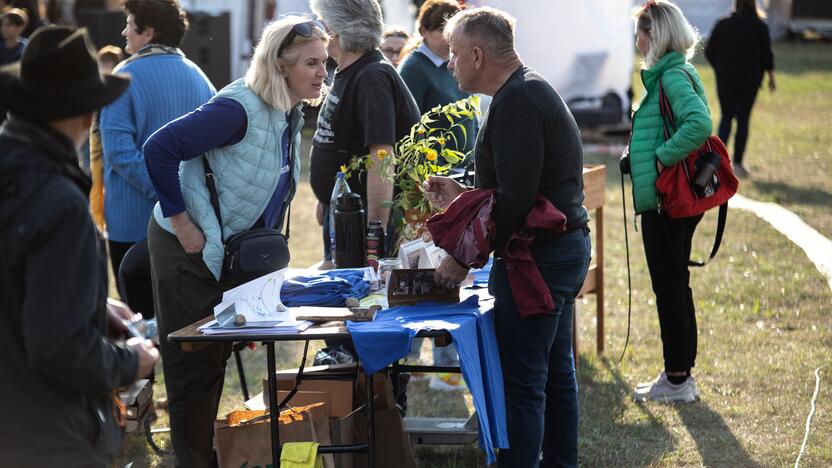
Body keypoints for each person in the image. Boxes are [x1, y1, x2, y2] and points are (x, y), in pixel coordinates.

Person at [143, 16, 328, 467]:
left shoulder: (287, 110)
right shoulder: (238, 108)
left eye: (325, 62)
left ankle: (207, 456)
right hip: (185, 248)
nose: (323, 72)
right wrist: (182, 222)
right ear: (280, 64)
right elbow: (158, 148)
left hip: (225, 258)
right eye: (312, 63)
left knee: (213, 361)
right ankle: (192, 461)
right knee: (193, 369)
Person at [425, 7, 591, 467]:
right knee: (554, 375)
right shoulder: (522, 91)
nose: (450, 63)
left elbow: (517, 201)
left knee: (524, 382)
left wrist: (463, 259)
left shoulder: (519, 99)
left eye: (455, 53)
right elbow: (519, 189)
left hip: (540, 259)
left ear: (477, 54)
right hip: (554, 253)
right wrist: (464, 195)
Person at [0, 25, 158, 466]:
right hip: (48, 435)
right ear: (88, 115)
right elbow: (58, 347)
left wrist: (90, 301)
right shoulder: (58, 201)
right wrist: (131, 361)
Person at [623, 0, 711, 404]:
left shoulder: (672, 75)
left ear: (654, 35)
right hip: (666, 199)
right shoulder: (668, 74)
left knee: (670, 287)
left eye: (640, 32)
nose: (636, 40)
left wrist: (659, 157)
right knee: (675, 285)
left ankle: (676, 379)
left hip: (666, 201)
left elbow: (699, 124)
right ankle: (680, 375)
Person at [98, 0, 215, 282]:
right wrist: (178, 202)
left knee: (140, 316)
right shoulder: (199, 76)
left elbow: (118, 152)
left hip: (133, 223)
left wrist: (165, 194)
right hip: (191, 222)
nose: (124, 32)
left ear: (148, 31)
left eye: (129, 24)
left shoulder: (123, 77)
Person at [398, 0, 476, 391]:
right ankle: (423, 362)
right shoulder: (414, 68)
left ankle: (447, 361)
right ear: (428, 31)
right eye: (445, 33)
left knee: (447, 264)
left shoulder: (444, 66)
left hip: (458, 175)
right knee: (429, 264)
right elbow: (408, 129)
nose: (450, 42)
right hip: (430, 184)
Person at [310, 0, 420, 269]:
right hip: (345, 214)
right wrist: (326, 197)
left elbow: (382, 157)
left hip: (363, 225)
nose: (320, 31)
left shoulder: (372, 76)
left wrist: (375, 235)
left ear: (338, 30)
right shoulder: (350, 70)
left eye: (323, 23)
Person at [705, 0, 775, 177]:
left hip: (726, 80)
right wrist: (771, 78)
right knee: (743, 119)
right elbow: (767, 56)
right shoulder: (760, 27)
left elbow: (709, 51)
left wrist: (720, 69)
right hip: (749, 82)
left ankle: (716, 161)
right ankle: (737, 163)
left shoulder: (723, 25)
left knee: (726, 117)